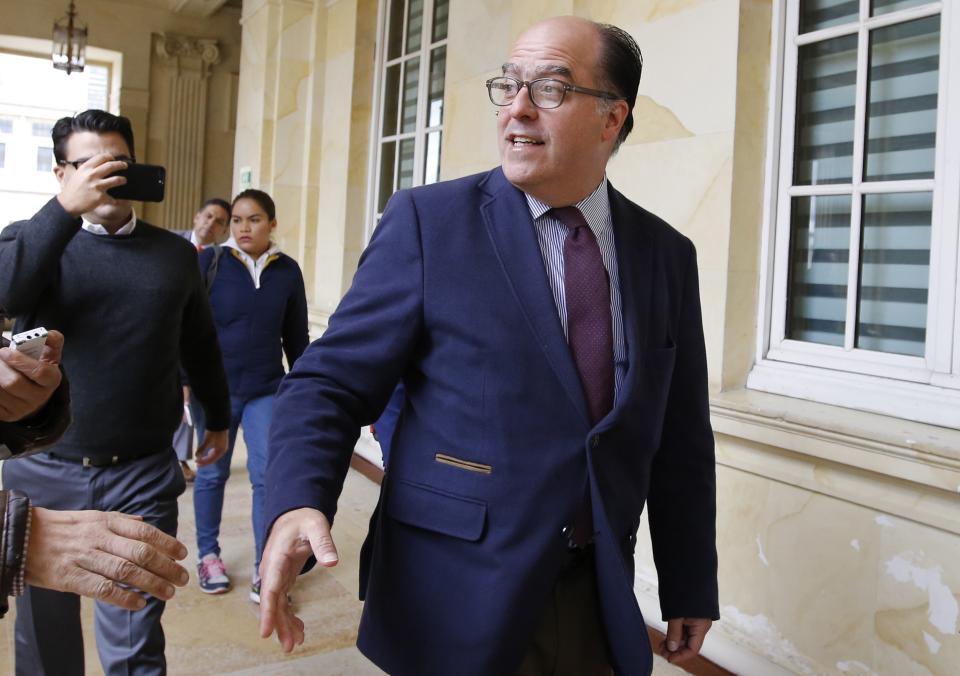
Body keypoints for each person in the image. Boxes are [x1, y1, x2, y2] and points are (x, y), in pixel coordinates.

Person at [258, 16, 718, 676]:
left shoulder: (665, 255)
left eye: (551, 89)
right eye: (508, 85)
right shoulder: (428, 222)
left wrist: (688, 580)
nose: (518, 110)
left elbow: (679, 435)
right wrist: (300, 499)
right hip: (454, 593)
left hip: (597, 593)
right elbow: (326, 381)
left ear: (611, 119)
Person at [0, 109, 231, 676]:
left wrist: (217, 417)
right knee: (45, 642)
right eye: (87, 165)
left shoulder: (175, 255)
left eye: (115, 163)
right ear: (62, 175)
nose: (104, 176)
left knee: (134, 636)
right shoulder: (31, 240)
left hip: (141, 473)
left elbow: (199, 343)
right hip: (41, 470)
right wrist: (62, 214)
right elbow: (7, 289)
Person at [0, 330, 191, 620]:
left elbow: (198, 341)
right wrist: (12, 537)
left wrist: (32, 406)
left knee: (134, 618)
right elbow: (16, 293)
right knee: (44, 634)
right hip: (41, 476)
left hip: (144, 461)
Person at [191, 189, 308, 601]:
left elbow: (296, 338)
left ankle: (266, 566)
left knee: (267, 477)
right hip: (214, 392)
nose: (244, 227)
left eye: (254, 219)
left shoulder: (287, 271)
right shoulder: (211, 262)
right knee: (211, 473)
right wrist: (185, 382)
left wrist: (306, 391)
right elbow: (186, 328)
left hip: (266, 390)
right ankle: (208, 555)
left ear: (272, 224)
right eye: (237, 220)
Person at [178, 198, 231, 482]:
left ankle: (184, 458)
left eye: (219, 221)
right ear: (198, 216)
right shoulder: (171, 246)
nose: (211, 224)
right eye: (208, 216)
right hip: (170, 336)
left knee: (190, 406)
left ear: (223, 231)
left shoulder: (218, 261)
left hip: (198, 340)